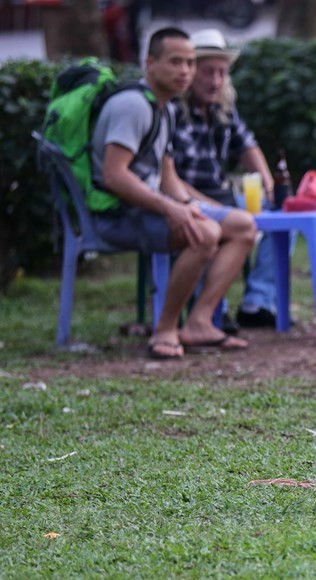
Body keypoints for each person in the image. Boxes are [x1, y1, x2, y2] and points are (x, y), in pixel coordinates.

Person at [91, 27, 256, 359]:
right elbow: (114, 175)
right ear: (150, 63)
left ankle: (199, 322)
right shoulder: (133, 106)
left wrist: (195, 206)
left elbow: (168, 178)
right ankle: (165, 329)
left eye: (190, 63)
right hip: (116, 215)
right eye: (176, 62)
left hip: (148, 208)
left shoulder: (164, 108)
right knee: (204, 233)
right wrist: (173, 211)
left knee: (242, 225)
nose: (185, 71)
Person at [170, 28, 278, 329]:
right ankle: (216, 308)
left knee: (282, 216)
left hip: (222, 194)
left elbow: (248, 145)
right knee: (218, 224)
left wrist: (268, 182)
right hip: (188, 197)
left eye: (222, 73)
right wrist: (210, 206)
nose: (215, 81)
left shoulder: (223, 107)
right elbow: (170, 179)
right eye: (208, 72)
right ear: (191, 71)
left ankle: (258, 301)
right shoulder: (172, 110)